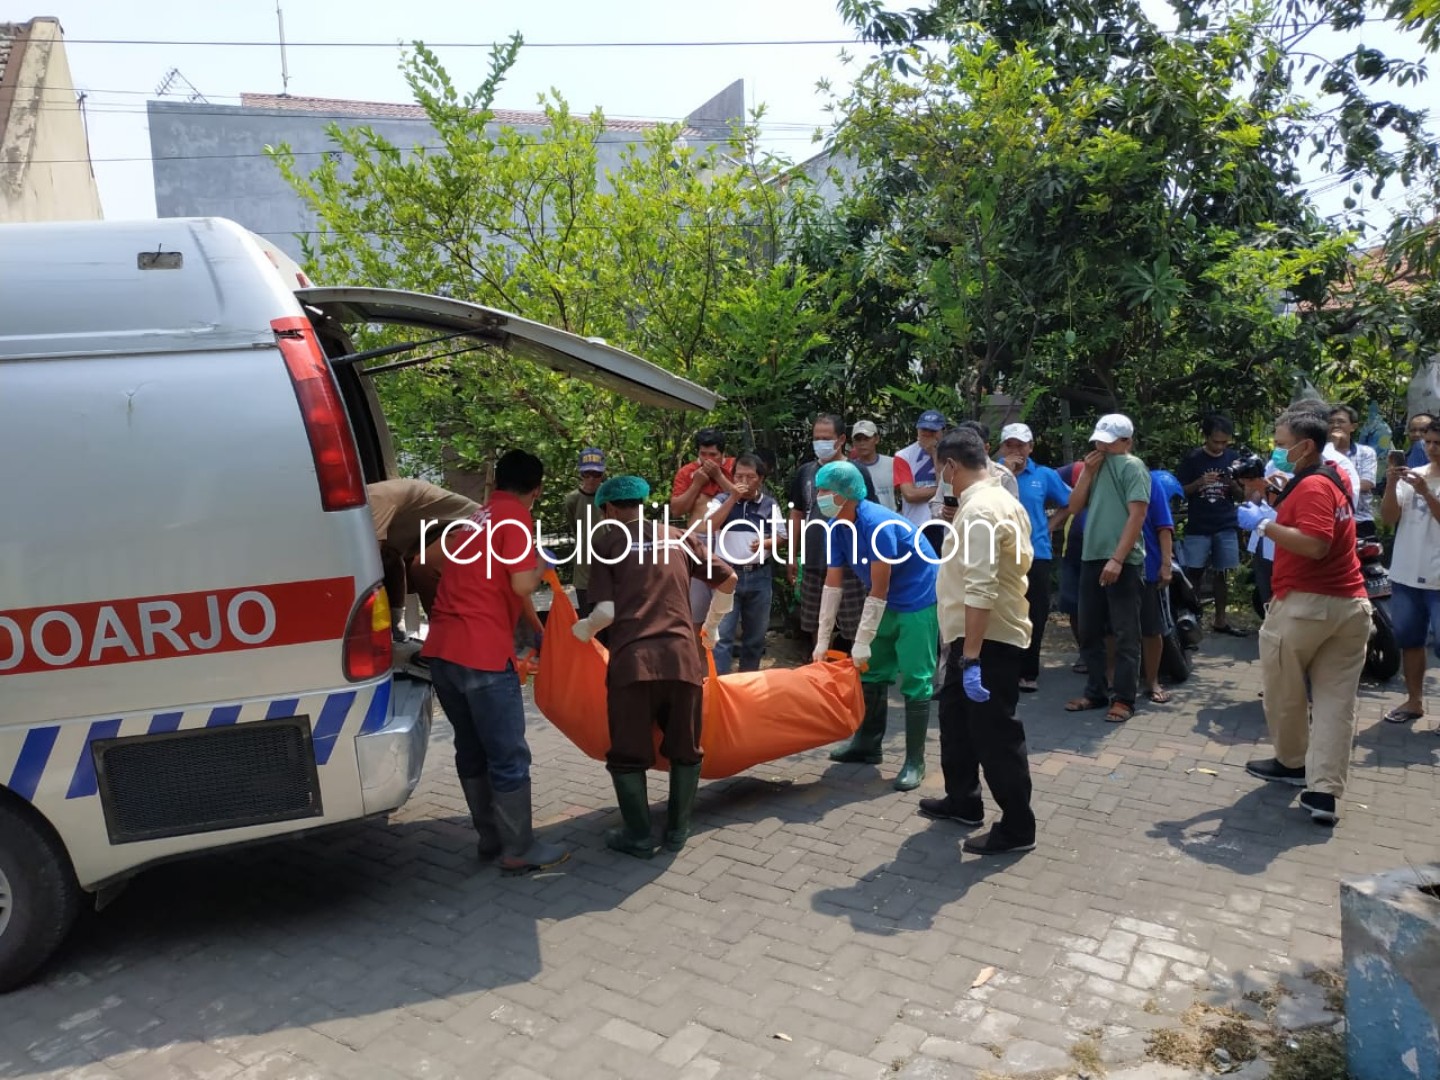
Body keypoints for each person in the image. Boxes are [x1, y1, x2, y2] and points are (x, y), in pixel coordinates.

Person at [573, 475, 737, 858]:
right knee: (686, 749)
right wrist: (712, 627)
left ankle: (639, 836)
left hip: (633, 666)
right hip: (682, 660)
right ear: (642, 503)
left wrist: (580, 631)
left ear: (609, 509)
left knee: (628, 754)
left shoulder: (608, 543)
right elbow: (728, 578)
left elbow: (605, 613)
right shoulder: (679, 537)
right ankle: (678, 830)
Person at [420, 450, 568, 874]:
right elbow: (522, 583)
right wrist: (543, 563)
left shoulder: (475, 519)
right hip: (482, 654)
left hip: (443, 652)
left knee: (470, 748)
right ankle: (519, 847)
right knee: (507, 755)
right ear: (537, 490)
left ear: (497, 482)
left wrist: (534, 628)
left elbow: (427, 562)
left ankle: (490, 839)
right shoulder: (516, 518)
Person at [1245, 408, 1369, 825]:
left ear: (1306, 446)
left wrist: (1264, 525)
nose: (1277, 452)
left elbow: (1315, 544)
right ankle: (1323, 793)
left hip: (1306, 606)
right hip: (1349, 607)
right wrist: (1275, 498)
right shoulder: (1330, 480)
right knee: (1336, 704)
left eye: (1282, 445)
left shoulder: (1314, 485)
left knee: (1284, 689)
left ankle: (1292, 762)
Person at [920, 428, 1037, 855]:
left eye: (941, 470)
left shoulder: (981, 511)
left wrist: (971, 658)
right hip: (969, 639)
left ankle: (1018, 826)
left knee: (995, 733)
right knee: (955, 720)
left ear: (951, 466)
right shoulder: (996, 501)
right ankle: (963, 799)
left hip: (986, 642)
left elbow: (982, 588)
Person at [814, 461, 939, 790]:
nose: (819, 496)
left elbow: (879, 589)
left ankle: (915, 761)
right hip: (883, 599)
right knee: (870, 670)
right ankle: (867, 744)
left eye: (825, 490)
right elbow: (832, 584)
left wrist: (861, 639)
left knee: (916, 678)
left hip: (916, 597)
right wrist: (822, 640)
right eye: (819, 489)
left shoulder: (878, 525)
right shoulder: (837, 527)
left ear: (846, 494)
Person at [1065, 414, 1150, 724]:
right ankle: (1096, 691)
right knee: (1089, 629)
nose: (1102, 447)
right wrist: (1086, 473)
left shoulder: (1133, 466)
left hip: (1123, 561)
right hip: (1092, 556)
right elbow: (1074, 507)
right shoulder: (1094, 466)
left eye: (1110, 442)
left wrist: (1117, 558)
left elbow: (1137, 515)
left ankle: (1124, 698)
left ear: (1127, 441)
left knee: (1126, 632)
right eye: (1099, 441)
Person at [789, 414, 878, 653]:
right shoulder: (805, 472)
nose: (820, 443)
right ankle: (821, 669)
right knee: (817, 623)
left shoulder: (856, 471)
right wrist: (792, 555)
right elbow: (797, 514)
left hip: (851, 563)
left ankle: (857, 670)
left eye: (826, 438)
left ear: (841, 439)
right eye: (816, 438)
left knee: (855, 624)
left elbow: (869, 513)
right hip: (814, 559)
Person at [996, 422, 1071, 692]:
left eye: (1021, 445)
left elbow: (1070, 502)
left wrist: (1050, 526)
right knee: (1002, 611)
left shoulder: (1044, 475)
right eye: (1010, 445)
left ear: (1030, 447)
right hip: (1000, 553)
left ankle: (1028, 671)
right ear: (1002, 447)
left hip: (1035, 552)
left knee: (1035, 612)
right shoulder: (990, 474)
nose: (1015, 450)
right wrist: (1005, 473)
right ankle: (1004, 668)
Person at [700, 452, 788, 673]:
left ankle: (747, 684)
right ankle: (721, 685)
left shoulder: (769, 504)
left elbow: (782, 535)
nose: (744, 482)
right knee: (722, 635)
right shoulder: (721, 500)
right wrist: (732, 498)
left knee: (755, 637)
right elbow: (708, 527)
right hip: (727, 575)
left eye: (750, 477)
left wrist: (766, 543)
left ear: (761, 479)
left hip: (760, 576)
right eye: (739, 476)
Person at [1377, 417, 1440, 725]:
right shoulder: (1414, 474)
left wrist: (1427, 492)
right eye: (1427, 442)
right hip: (1405, 574)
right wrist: (1392, 483)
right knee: (1410, 641)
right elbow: (1389, 518)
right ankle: (1414, 702)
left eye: (1437, 443)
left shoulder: (1422, 483)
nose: (1431, 448)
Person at [366, 478, 479, 636]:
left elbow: (369, 563)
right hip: (433, 535)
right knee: (390, 559)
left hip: (476, 526)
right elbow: (388, 558)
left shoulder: (374, 499)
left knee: (424, 567)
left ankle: (446, 638)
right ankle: (396, 628)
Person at [1176, 415, 1245, 636]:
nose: (1220, 447)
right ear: (1206, 437)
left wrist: (1231, 484)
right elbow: (1179, 491)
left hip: (1225, 524)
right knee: (1194, 573)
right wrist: (1198, 483)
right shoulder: (1193, 459)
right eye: (1216, 441)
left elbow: (1242, 495)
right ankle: (1192, 620)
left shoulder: (1233, 458)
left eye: (1225, 442)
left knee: (1222, 573)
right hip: (1198, 525)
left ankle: (1220, 620)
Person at [669, 428, 738, 629]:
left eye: (713, 455)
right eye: (703, 454)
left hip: (729, 541)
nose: (708, 460)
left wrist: (719, 476)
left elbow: (741, 498)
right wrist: (696, 484)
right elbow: (676, 510)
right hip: (698, 541)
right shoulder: (687, 472)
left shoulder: (736, 467)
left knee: (726, 606)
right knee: (696, 608)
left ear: (723, 453)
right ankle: (697, 648)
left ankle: (723, 645)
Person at [1139, 471, 1180, 705]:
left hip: (1148, 566)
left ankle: (1152, 680)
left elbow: (1164, 527)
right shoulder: (1100, 477)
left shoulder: (1150, 481)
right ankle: (1111, 678)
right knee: (1111, 628)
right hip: (1111, 566)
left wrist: (1166, 564)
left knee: (1152, 627)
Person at [560, 447, 608, 617]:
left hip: (610, 571)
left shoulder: (611, 497)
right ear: (580, 473)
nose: (591, 479)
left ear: (602, 474)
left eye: (596, 474)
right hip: (584, 574)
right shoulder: (572, 500)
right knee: (589, 623)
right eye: (586, 474)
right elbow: (576, 528)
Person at [1329, 405, 1379, 539]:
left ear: (1353, 426)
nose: (1335, 425)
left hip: (1360, 520)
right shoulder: (1321, 453)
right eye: (1331, 422)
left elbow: (1366, 484)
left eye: (1340, 421)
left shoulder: (1366, 452)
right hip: (1329, 519)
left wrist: (1330, 486)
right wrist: (1331, 447)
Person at [895, 410, 946, 530]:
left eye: (933, 431)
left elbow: (951, 488)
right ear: (917, 430)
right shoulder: (903, 456)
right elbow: (910, 494)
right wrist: (942, 490)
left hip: (944, 522)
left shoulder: (954, 453)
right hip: (915, 523)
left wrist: (934, 453)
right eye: (924, 429)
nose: (928, 434)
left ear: (943, 431)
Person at [850, 419, 902, 510]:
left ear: (876, 439)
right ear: (853, 442)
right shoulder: (849, 469)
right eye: (858, 439)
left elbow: (902, 491)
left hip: (889, 516)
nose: (862, 443)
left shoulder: (891, 463)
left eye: (866, 439)